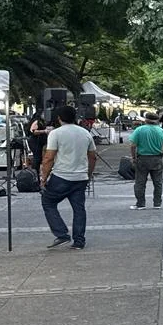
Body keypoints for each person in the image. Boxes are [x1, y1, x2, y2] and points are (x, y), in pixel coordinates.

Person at [39, 106, 96, 249]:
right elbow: (92, 157)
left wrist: (44, 177)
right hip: (80, 177)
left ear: (59, 118)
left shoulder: (56, 133)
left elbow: (49, 158)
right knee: (79, 209)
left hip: (61, 176)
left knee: (48, 202)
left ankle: (62, 234)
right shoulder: (85, 133)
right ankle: (79, 241)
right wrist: (88, 174)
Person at [129, 112, 163, 210]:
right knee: (158, 182)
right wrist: (161, 155)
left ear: (146, 120)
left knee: (140, 182)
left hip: (142, 158)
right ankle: (157, 204)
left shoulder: (139, 130)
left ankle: (141, 204)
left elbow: (133, 145)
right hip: (156, 158)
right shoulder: (161, 131)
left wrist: (134, 157)